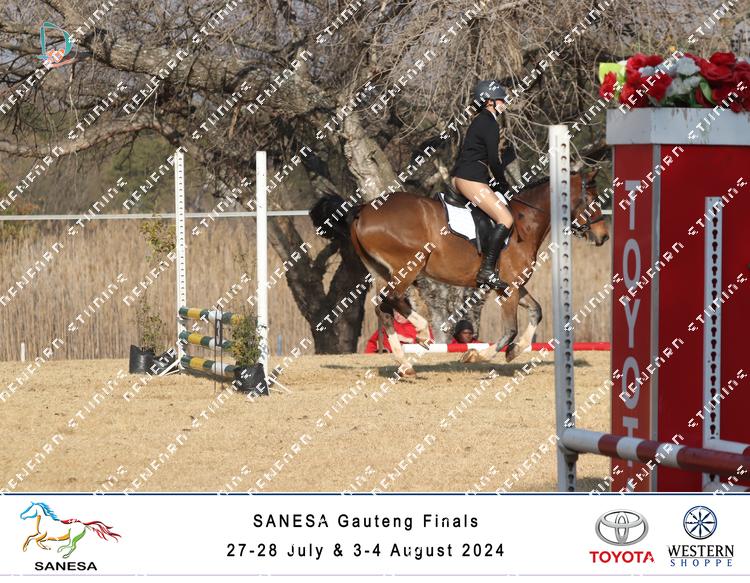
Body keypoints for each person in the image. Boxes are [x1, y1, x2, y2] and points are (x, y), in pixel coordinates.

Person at [450, 79, 516, 291]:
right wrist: (503, 182)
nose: (504, 103)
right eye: (500, 99)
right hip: (470, 178)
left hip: (468, 176)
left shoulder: (479, 121)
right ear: (489, 101)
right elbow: (494, 161)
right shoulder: (489, 123)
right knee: (506, 219)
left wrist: (493, 182)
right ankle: (487, 270)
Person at [364, 312, 434, 353]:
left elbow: (430, 345)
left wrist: (409, 341)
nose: (398, 315)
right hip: (388, 357)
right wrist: (370, 355)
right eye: (395, 312)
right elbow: (372, 342)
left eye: (400, 312)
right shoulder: (387, 326)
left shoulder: (420, 325)